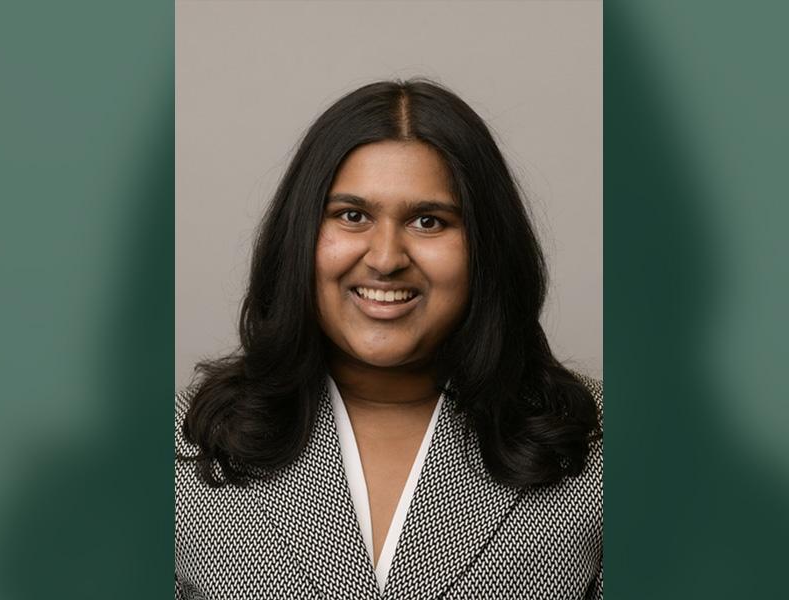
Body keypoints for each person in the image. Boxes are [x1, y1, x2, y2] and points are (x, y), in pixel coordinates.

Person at [175, 79, 602, 599]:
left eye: (429, 221)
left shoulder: (607, 448)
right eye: (352, 216)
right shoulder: (173, 446)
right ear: (301, 235)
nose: (385, 258)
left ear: (487, 246)